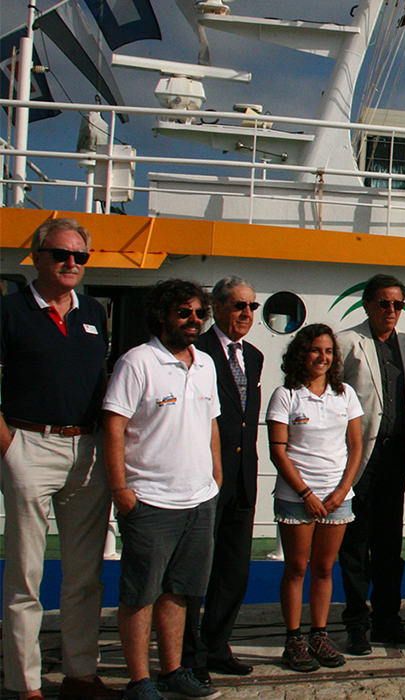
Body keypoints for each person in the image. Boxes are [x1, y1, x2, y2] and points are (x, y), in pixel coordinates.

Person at [0, 218, 118, 700]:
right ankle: (25, 683)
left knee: (85, 574)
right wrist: (7, 443)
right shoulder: (9, 311)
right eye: (61, 255)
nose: (72, 264)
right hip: (28, 444)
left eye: (80, 257)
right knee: (26, 574)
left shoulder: (93, 311)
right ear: (38, 257)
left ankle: (80, 673)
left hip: (87, 449)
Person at [101, 279, 222, 700]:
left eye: (198, 313)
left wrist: (216, 477)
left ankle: (172, 671)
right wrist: (120, 489)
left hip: (198, 498)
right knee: (140, 594)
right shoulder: (137, 363)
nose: (193, 320)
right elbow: (113, 425)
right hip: (150, 498)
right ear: (162, 315)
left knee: (180, 591)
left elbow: (211, 423)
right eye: (183, 312)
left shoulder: (205, 363)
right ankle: (139, 680)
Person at [265, 325, 363, 671]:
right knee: (296, 568)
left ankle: (319, 634)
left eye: (328, 352)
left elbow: (356, 446)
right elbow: (278, 450)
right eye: (315, 350)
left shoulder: (345, 394)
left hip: (337, 497)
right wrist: (305, 493)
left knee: (324, 568)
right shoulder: (286, 394)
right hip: (297, 497)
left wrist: (341, 490)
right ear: (301, 354)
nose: (322, 358)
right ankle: (293, 640)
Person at [337, 274, 405, 654]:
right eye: (383, 304)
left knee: (390, 546)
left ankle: (388, 620)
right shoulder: (345, 343)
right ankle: (357, 623)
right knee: (354, 546)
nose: (391, 311)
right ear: (367, 305)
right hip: (358, 459)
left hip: (395, 457)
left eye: (398, 305)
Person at [184, 277, 263, 683]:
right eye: (237, 306)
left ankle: (217, 645)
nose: (246, 314)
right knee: (197, 571)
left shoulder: (255, 356)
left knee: (234, 570)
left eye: (252, 306)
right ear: (216, 307)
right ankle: (189, 655)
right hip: (205, 476)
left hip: (243, 479)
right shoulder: (197, 353)